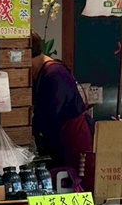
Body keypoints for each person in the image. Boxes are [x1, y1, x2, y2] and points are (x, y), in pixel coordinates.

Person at [30, 31, 93, 170]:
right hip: (63, 139)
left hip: (73, 139)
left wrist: (30, 129)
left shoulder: (54, 74)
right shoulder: (46, 72)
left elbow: (50, 114)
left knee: (74, 179)